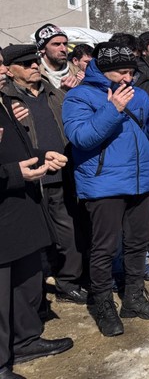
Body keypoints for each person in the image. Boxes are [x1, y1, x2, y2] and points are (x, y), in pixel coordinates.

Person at [62, 42, 149, 335]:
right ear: (105, 69)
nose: (128, 78)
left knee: (137, 244)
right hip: (103, 184)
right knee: (105, 248)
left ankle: (134, 298)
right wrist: (113, 109)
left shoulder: (138, 94)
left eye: (131, 72)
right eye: (122, 72)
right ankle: (102, 303)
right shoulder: (79, 96)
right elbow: (81, 137)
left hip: (139, 180)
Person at [1, 49, 74, 376]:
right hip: (4, 213)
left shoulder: (2, 103)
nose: (2, 68)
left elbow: (17, 148)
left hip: (23, 210)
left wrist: (43, 156)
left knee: (28, 283)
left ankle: (26, 340)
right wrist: (16, 174)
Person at [1, 45, 86, 305]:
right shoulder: (8, 99)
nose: (34, 67)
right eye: (26, 64)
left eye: (35, 62)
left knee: (68, 232)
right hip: (29, 178)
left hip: (60, 173)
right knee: (35, 239)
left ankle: (68, 281)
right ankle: (35, 292)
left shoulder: (53, 92)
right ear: (12, 71)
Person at [34, 24, 81, 91]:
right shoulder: (34, 74)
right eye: (56, 44)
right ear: (42, 49)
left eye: (65, 44)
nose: (63, 49)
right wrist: (63, 91)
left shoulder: (78, 73)